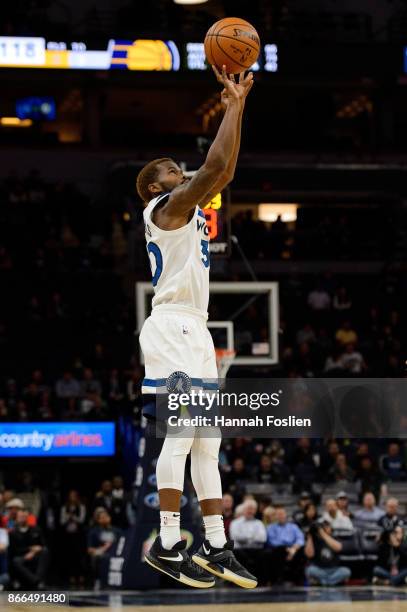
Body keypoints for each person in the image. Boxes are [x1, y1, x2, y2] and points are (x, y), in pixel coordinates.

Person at [137, 65, 256, 589]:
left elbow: (222, 172)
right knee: (182, 436)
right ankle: (166, 544)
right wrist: (230, 108)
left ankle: (216, 543)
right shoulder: (164, 208)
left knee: (208, 444)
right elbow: (211, 170)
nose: (177, 172)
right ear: (152, 188)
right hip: (171, 328)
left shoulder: (188, 203)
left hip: (196, 330)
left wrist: (238, 105)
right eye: (168, 169)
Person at [305, 519, 351, 586]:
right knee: (309, 570)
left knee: (346, 571)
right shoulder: (314, 540)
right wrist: (310, 536)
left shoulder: (334, 538)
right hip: (320, 569)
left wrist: (323, 534)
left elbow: (338, 548)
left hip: (334, 570)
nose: (326, 528)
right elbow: (309, 555)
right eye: (324, 527)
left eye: (328, 527)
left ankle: (325, 582)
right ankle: (331, 582)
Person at [8, 510, 48, 589]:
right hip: (22, 556)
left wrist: (33, 552)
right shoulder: (13, 533)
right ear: (16, 519)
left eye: (24, 516)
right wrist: (29, 549)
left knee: (45, 552)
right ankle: (37, 581)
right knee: (15, 561)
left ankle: (37, 580)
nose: (23, 518)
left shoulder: (36, 529)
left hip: (35, 555)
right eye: (20, 517)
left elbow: (43, 545)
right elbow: (14, 550)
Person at [265, 506, 305, 584]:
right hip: (279, 550)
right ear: (275, 516)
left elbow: (300, 539)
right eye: (278, 514)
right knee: (277, 551)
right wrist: (287, 549)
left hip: (293, 549)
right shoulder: (271, 527)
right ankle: (278, 579)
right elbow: (272, 541)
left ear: (286, 515)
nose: (281, 516)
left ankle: (298, 579)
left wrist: (294, 548)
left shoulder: (293, 526)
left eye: (282, 514)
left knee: (301, 552)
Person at [87, 508, 123, 589]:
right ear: (98, 520)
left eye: (106, 516)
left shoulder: (117, 531)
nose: (105, 519)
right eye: (102, 518)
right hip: (101, 552)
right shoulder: (94, 532)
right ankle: (98, 580)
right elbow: (90, 550)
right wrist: (103, 548)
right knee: (96, 557)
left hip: (115, 553)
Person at [59, 490, 86, 587]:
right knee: (69, 556)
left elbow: (82, 520)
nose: (72, 497)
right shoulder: (64, 507)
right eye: (71, 496)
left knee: (79, 555)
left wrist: (73, 517)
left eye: (74, 496)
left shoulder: (81, 507)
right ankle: (71, 576)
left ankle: (81, 575)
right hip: (68, 535)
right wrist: (67, 517)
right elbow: (62, 522)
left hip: (78, 535)